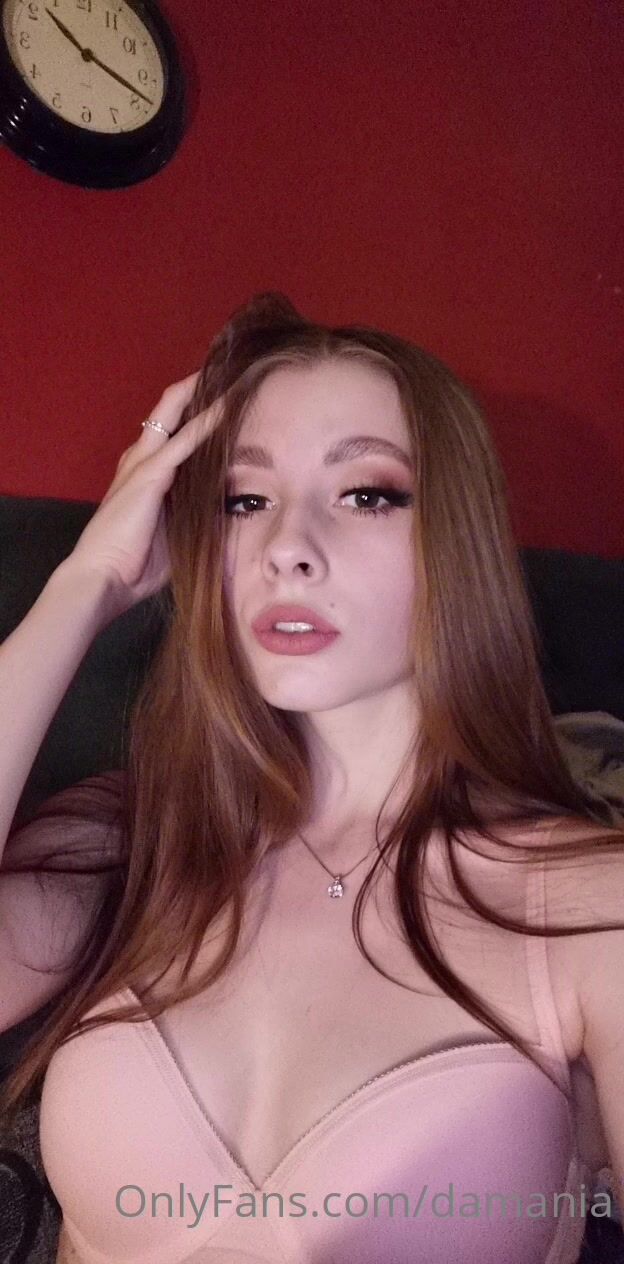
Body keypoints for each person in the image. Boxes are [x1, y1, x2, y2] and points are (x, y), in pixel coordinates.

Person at [1, 290, 624, 1264]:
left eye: (366, 493)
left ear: (456, 539)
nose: (286, 547)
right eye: (242, 500)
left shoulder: (588, 903)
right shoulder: (128, 844)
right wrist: (85, 586)